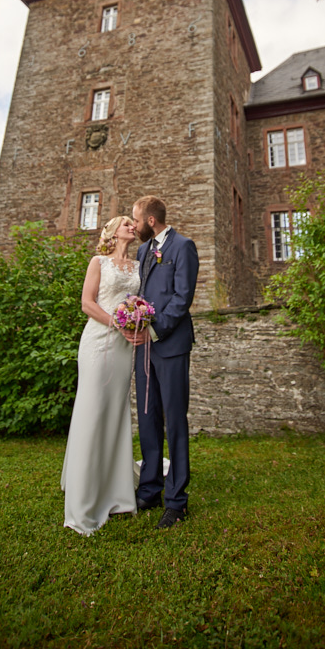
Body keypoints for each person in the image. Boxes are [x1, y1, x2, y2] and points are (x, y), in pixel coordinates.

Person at [61, 215, 142, 535]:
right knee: (92, 411)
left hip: (124, 347)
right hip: (97, 342)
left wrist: (137, 321)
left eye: (133, 224)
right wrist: (117, 323)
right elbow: (86, 303)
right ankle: (84, 498)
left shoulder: (137, 267)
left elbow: (138, 301)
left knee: (117, 411)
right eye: (125, 222)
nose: (131, 226)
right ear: (111, 231)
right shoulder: (98, 261)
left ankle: (118, 492)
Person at [132, 195, 199, 529]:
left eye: (136, 219)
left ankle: (177, 501)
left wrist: (155, 331)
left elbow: (182, 297)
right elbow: (142, 293)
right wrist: (132, 315)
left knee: (174, 421)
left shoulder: (183, 246)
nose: (134, 225)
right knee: (147, 418)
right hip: (142, 348)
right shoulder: (143, 251)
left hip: (170, 345)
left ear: (151, 221)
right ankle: (150, 488)